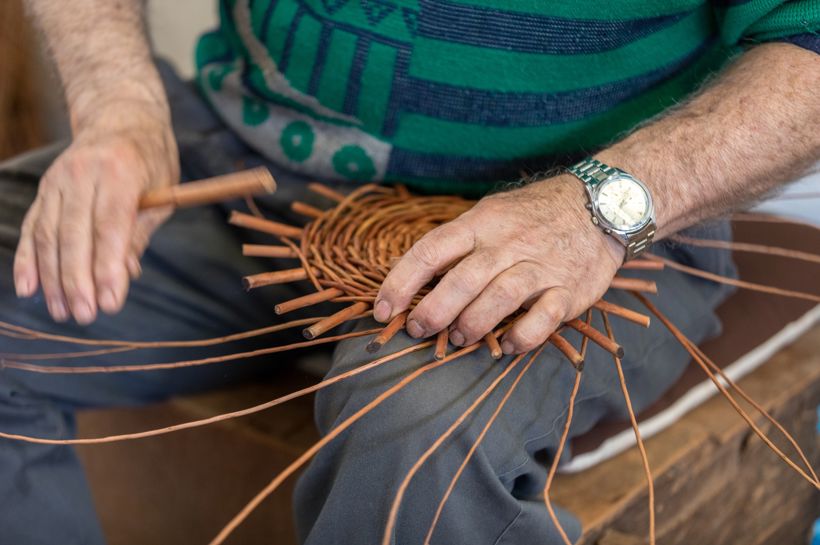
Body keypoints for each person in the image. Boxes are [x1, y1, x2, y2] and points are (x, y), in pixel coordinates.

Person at [1, 1, 817, 543]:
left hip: (598, 212)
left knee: (413, 441)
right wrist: (119, 104)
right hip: (243, 156)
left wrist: (597, 207)